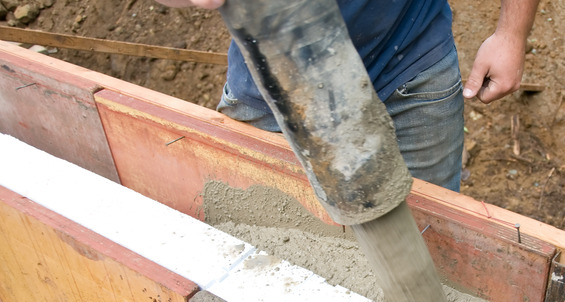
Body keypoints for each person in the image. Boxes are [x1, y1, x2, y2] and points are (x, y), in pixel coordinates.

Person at [158, 0, 539, 192]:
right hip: (276, 91)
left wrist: (512, 32)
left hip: (411, 62)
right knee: (269, 239)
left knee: (433, 230)